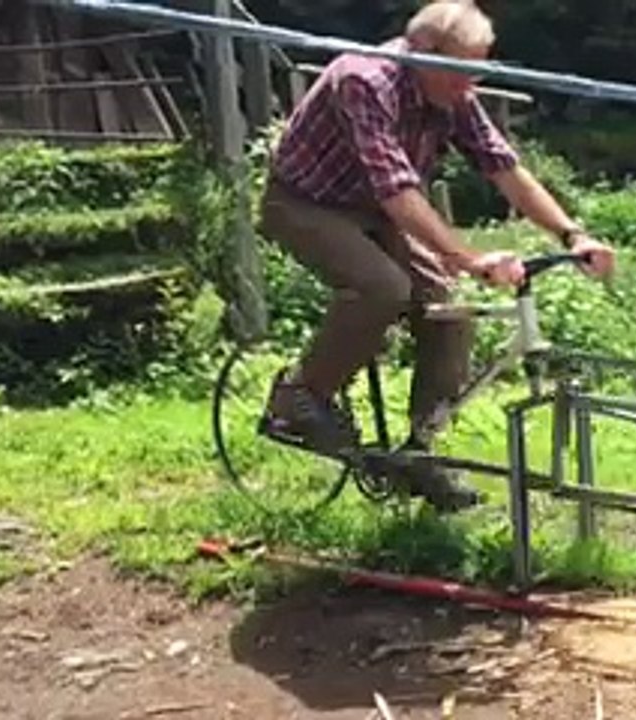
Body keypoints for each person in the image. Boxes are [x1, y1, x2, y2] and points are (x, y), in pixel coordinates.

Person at [258, 0, 616, 512]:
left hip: (373, 211)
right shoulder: (363, 81)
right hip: (305, 203)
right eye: (460, 71)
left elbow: (505, 168)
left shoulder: (453, 92)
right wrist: (468, 257)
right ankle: (300, 396)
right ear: (421, 53)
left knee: (450, 312)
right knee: (383, 288)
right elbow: (397, 191)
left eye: (478, 70)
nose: (469, 86)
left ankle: (422, 450)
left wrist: (572, 235)